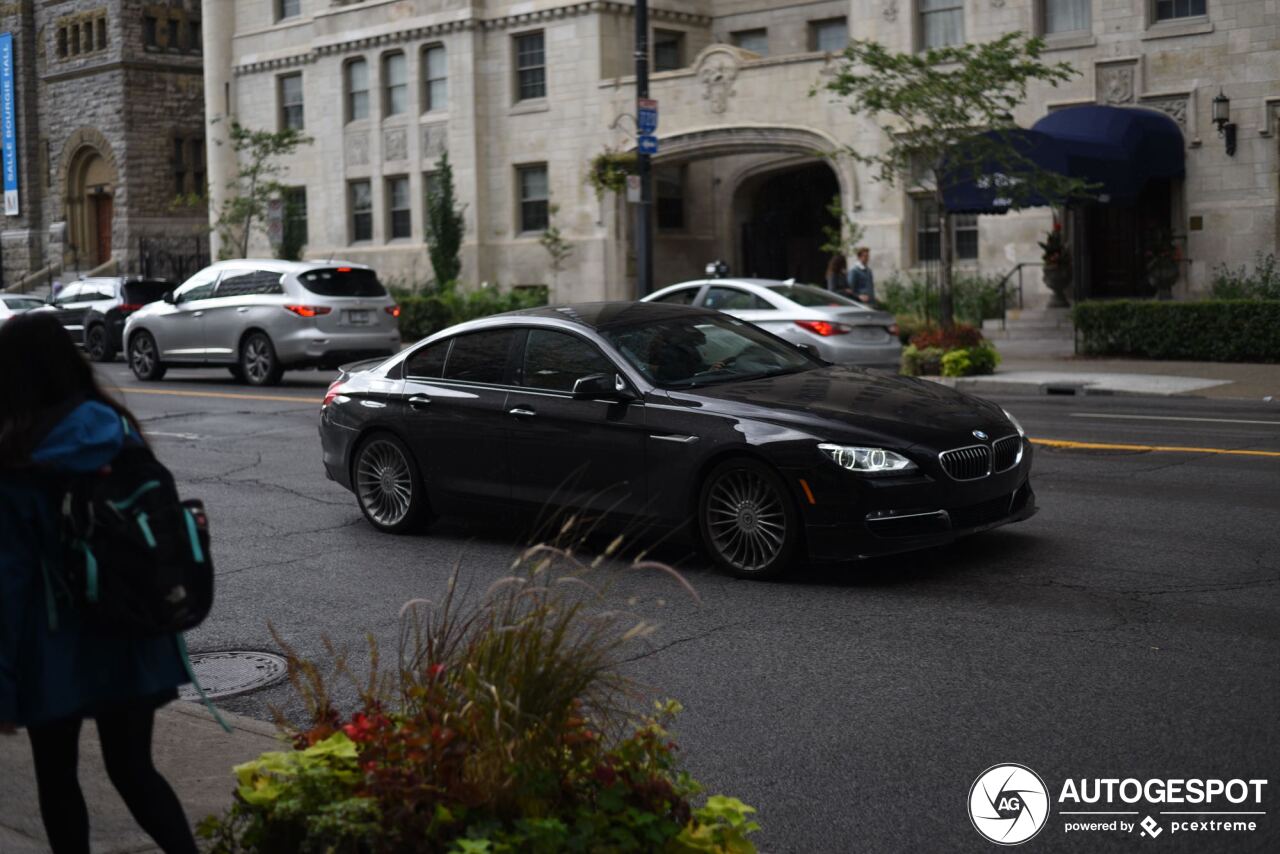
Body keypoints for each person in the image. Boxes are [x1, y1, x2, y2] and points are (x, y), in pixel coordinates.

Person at [0, 313, 198, 854]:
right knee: (134, 771)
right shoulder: (117, 430)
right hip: (131, 623)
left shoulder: (16, 452)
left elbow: (10, 580)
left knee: (57, 777)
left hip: (54, 639)